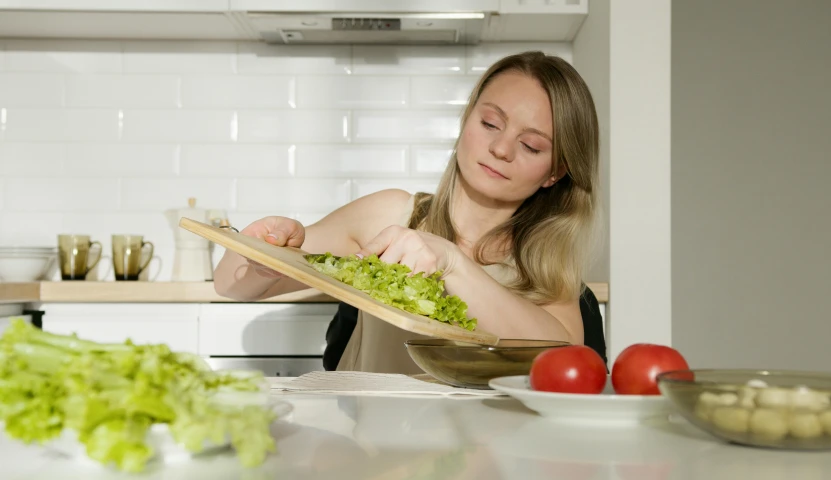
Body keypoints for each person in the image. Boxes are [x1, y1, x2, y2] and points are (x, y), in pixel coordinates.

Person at [213, 50, 601, 375]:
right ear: (467, 118)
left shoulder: (545, 267)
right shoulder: (392, 214)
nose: (501, 149)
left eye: (531, 145)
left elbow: (564, 356)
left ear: (555, 172)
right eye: (489, 123)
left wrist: (452, 263)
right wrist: (264, 255)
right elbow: (230, 283)